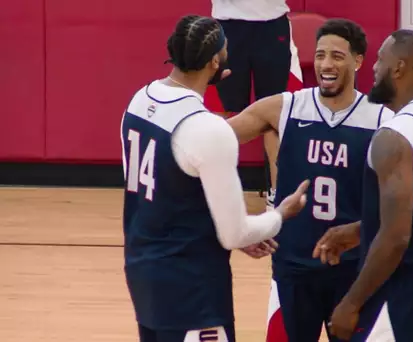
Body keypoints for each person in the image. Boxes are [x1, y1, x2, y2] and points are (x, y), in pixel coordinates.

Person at [119, 15, 309, 342]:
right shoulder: (207, 129)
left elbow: (170, 191)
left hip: (142, 272)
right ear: (214, 63)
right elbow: (234, 234)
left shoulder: (140, 100)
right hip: (192, 289)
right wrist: (279, 215)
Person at [227, 18, 393, 342]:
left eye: (337, 56)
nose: (326, 64)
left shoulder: (381, 120)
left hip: (354, 274)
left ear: (358, 61)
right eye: (320, 55)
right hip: (293, 270)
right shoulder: (286, 108)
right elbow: (214, 140)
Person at [315, 29, 413, 342]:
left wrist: (351, 302)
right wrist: (362, 229)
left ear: (398, 68)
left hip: (404, 289)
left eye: (380, 60)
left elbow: (396, 237)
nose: (373, 68)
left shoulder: (395, 135)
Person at [211, 0, 294, 205]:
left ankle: (276, 193)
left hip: (271, 23)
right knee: (227, 111)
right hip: (228, 24)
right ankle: (217, 191)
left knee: (273, 112)